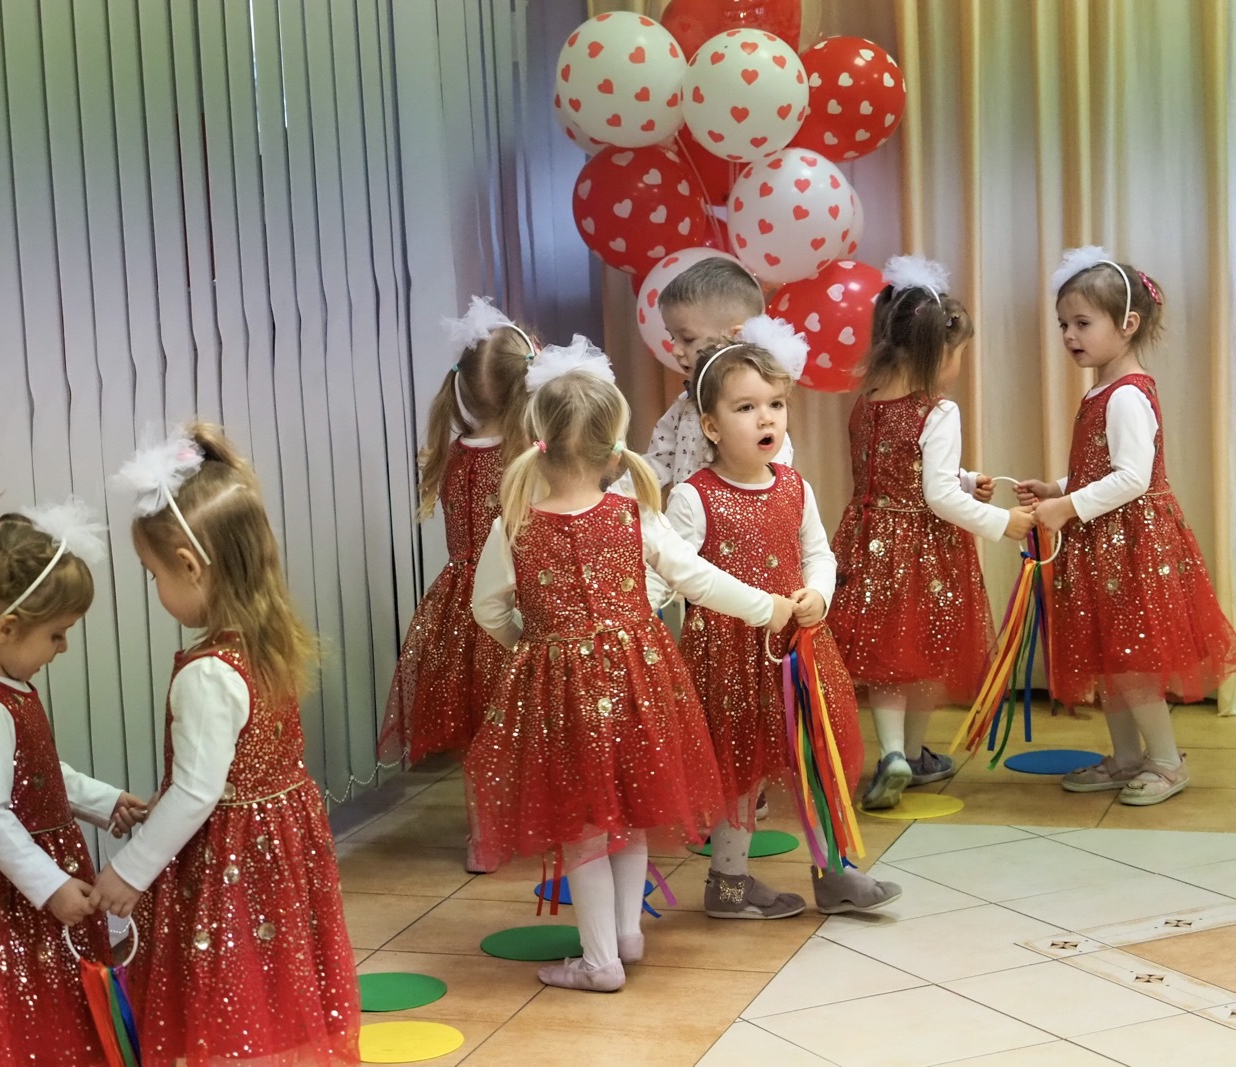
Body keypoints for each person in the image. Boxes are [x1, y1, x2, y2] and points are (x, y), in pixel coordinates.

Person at [466, 338, 793, 993]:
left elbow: (486, 608)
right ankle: (624, 937)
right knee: (631, 806)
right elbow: (698, 578)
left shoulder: (513, 525)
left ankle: (601, 960)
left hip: (558, 695)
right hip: (640, 686)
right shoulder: (633, 514)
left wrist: (528, 646)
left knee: (584, 825)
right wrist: (769, 607)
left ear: (537, 443)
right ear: (613, 450)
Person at [94, 424, 360, 1065]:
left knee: (225, 993)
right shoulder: (269, 640)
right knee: (269, 989)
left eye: (153, 575)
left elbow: (196, 791)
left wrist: (130, 871)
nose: (156, 589)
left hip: (227, 867)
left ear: (189, 566)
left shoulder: (207, 672)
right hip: (280, 856)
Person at [661, 323, 900, 917]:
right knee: (740, 773)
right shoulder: (693, 497)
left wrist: (819, 593)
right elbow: (674, 575)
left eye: (775, 404)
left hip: (798, 652)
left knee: (817, 757)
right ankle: (728, 885)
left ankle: (835, 875)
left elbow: (819, 553)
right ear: (711, 426)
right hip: (728, 662)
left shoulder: (795, 486)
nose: (766, 418)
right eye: (745, 408)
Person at [0, 498, 143, 1065]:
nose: (62, 649)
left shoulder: (2, 687)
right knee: (10, 1018)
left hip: (24, 883)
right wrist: (51, 885)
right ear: (7, 628)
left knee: (45, 1010)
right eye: (57, 635)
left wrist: (107, 800)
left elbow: (37, 775)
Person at [1018, 248, 1236, 804]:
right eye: (1064, 325)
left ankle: (1166, 761)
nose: (1070, 335)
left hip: (1133, 545)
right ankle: (1127, 757)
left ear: (1128, 324)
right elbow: (1103, 469)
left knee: (1133, 661)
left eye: (1082, 323)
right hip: (1104, 544)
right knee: (1110, 657)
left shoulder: (1127, 394)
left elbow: (1133, 478)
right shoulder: (1102, 391)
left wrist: (1067, 508)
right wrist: (1059, 489)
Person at [827, 256, 1035, 810]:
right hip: (923, 551)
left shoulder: (865, 403)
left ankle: (898, 753)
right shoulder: (939, 411)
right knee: (920, 651)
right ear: (935, 352)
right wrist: (1003, 522)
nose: (960, 365)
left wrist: (966, 480)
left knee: (886, 657)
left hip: (868, 543)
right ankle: (911, 754)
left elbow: (897, 470)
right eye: (959, 353)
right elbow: (936, 496)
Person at [376, 297, 534, 872]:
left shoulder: (452, 451)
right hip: (510, 603)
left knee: (478, 730)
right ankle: (526, 823)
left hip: (456, 606)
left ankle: (483, 836)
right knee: (518, 722)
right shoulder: (525, 458)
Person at [648, 257, 796, 490]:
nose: (675, 350)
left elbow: (775, 474)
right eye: (672, 337)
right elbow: (655, 464)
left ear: (735, 337)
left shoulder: (761, 410)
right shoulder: (684, 405)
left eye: (687, 338)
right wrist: (618, 496)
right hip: (685, 513)